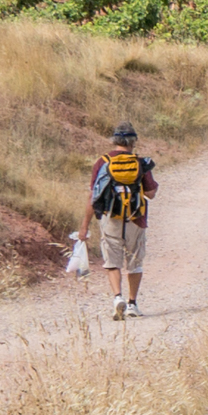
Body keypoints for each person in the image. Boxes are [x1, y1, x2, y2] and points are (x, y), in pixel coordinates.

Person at [77, 122, 159, 320]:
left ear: (114, 140)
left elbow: (93, 196)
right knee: (135, 262)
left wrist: (84, 226)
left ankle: (117, 297)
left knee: (112, 260)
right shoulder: (139, 162)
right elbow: (151, 193)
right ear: (133, 141)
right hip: (136, 218)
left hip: (110, 217)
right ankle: (132, 304)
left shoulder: (102, 161)